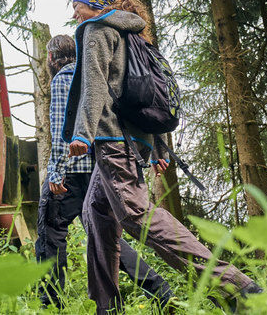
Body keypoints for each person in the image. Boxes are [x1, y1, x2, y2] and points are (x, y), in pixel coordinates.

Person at [64, 0, 262, 314]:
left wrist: (83, 135)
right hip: (133, 141)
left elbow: (95, 85)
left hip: (112, 140)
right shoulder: (133, 36)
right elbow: (143, 95)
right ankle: (106, 307)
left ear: (95, 6)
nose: (74, 15)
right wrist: (159, 147)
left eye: (78, 7)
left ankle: (236, 287)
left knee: (135, 214)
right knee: (95, 212)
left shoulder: (97, 30)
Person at [36, 33, 173, 309]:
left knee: (51, 232)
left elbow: (63, 130)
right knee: (106, 236)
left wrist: (56, 171)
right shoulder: (95, 76)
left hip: (71, 171)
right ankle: (159, 289)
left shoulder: (64, 79)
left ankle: (50, 303)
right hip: (101, 169)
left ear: (51, 58)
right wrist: (158, 150)